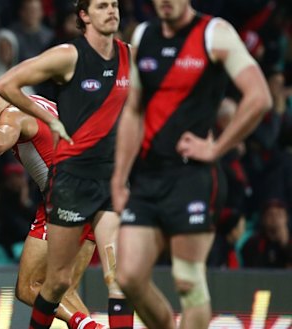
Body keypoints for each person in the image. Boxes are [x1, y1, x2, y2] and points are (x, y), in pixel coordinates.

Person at [110, 0, 273, 328]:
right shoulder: (143, 35)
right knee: (128, 277)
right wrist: (119, 177)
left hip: (192, 177)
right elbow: (133, 111)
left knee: (188, 283)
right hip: (148, 177)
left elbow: (260, 97)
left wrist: (216, 148)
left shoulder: (215, 34)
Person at [0, 0, 133, 328]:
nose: (112, 11)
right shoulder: (68, 55)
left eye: (114, 5)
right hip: (72, 182)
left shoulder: (131, 55)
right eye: (102, 6)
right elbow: (5, 84)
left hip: (111, 177)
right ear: (84, 16)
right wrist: (49, 120)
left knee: (117, 280)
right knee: (54, 285)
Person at [0, 89, 105, 329]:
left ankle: (89, 326)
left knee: (28, 288)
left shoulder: (12, 115)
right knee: (64, 292)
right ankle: (88, 325)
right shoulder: (42, 102)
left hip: (64, 196)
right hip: (95, 192)